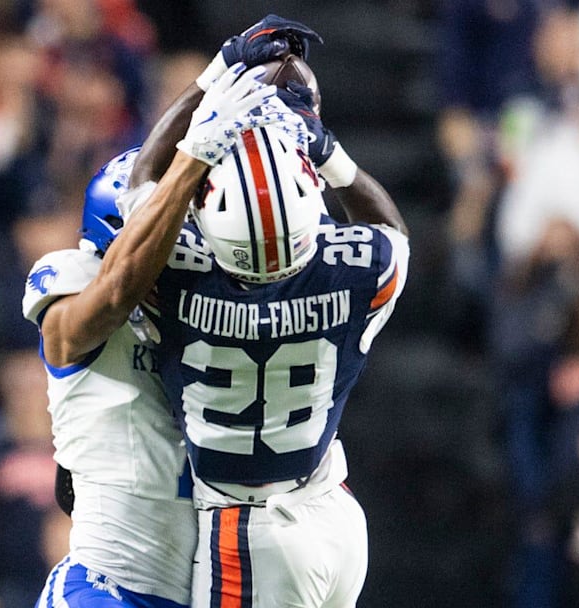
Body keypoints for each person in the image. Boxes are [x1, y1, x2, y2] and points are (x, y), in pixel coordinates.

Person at [20, 27, 310, 607]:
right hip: (106, 588)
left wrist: (219, 84)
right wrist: (195, 147)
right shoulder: (73, 286)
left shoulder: (206, 304)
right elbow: (114, 293)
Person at [131, 42, 410, 607]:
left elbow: (141, 187)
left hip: (252, 534)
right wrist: (326, 149)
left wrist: (214, 80)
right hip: (333, 515)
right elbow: (391, 230)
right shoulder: (358, 268)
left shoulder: (172, 278)